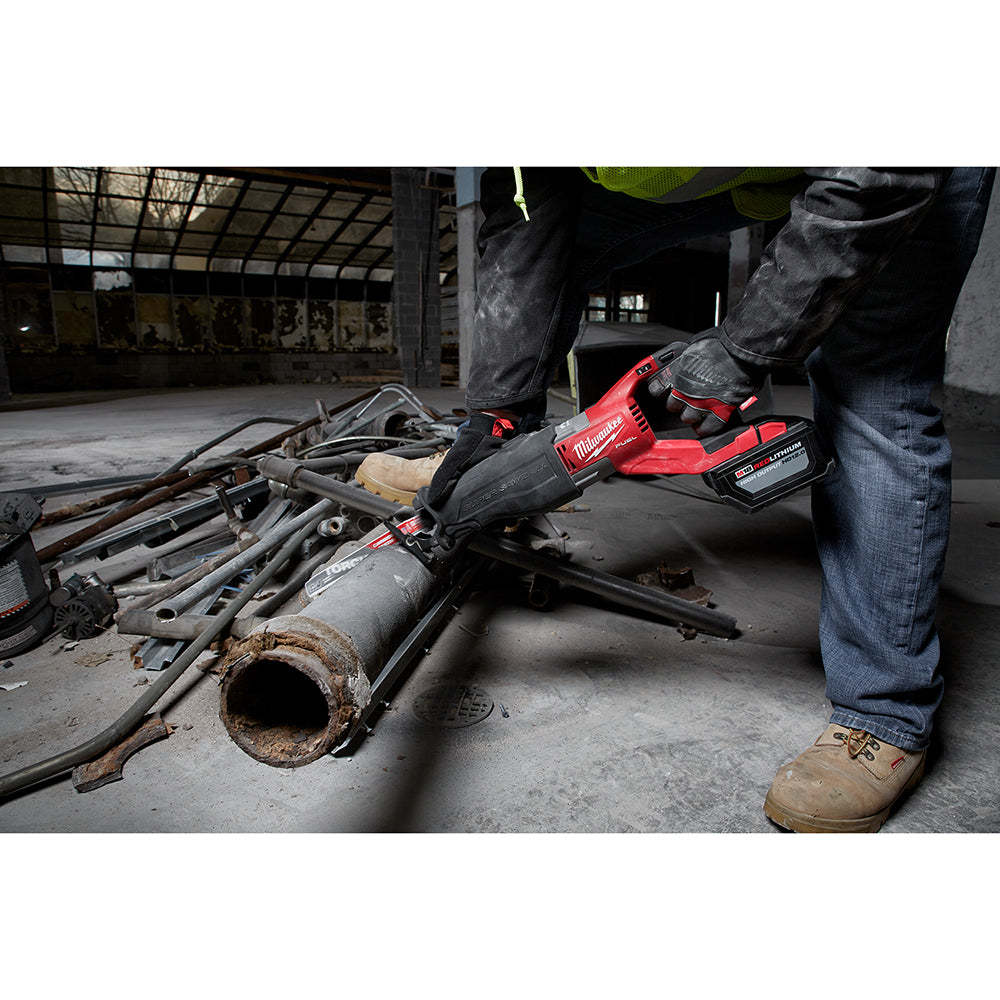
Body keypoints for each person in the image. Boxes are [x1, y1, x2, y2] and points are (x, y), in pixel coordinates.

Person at [357, 166, 996, 833]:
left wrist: (747, 344)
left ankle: (884, 714)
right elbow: (525, 212)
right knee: (554, 240)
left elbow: (881, 174)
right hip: (739, 170)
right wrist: (499, 414)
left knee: (874, 392)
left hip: (893, 170)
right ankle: (493, 459)